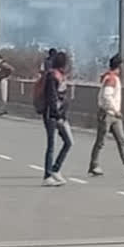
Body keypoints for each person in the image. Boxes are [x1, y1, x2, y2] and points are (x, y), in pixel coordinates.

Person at [89, 55, 124, 178]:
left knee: (122, 140)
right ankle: (94, 165)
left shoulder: (110, 77)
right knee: (101, 141)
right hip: (108, 114)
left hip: (113, 115)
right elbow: (106, 96)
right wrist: (115, 110)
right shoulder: (111, 79)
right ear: (119, 66)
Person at [42, 52, 72, 187]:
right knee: (51, 145)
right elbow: (52, 98)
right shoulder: (52, 76)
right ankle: (47, 175)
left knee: (68, 142)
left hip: (60, 116)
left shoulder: (60, 76)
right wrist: (57, 115)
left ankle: (55, 169)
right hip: (52, 115)